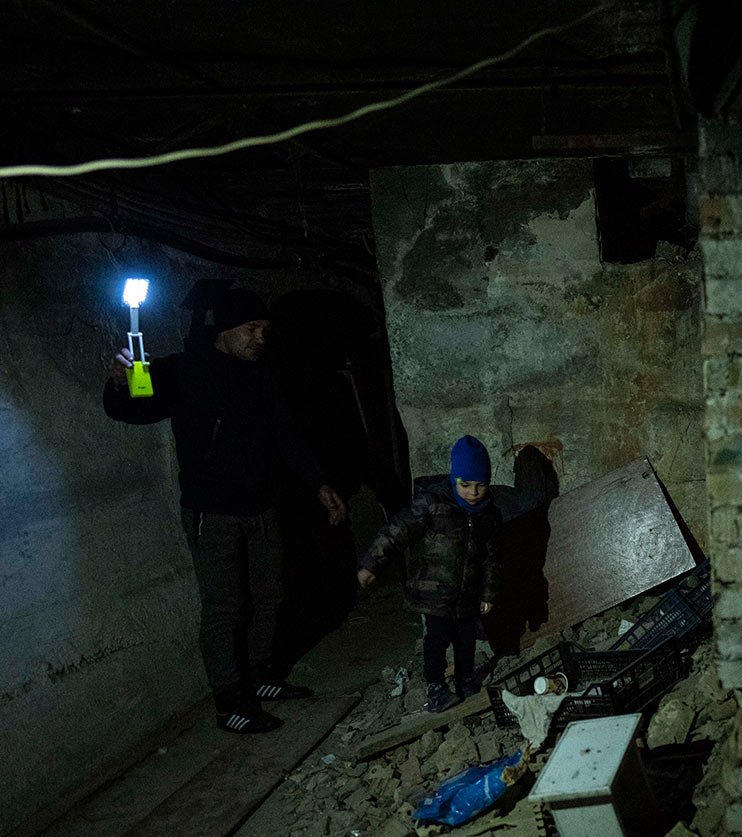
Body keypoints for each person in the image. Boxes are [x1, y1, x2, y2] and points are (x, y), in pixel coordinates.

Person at [103, 288, 347, 734]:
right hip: (212, 511)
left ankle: (262, 677)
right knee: (224, 607)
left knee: (270, 595)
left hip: (261, 505)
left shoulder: (261, 375)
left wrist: (319, 483)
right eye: (251, 330)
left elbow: (284, 432)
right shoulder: (183, 370)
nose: (260, 338)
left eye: (264, 330)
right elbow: (135, 409)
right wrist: (119, 386)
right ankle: (230, 702)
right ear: (224, 332)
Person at [357, 435, 504, 712]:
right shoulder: (432, 504)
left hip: (467, 595)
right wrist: (371, 564)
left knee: (466, 640)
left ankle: (465, 680)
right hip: (434, 592)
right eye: (466, 485)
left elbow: (492, 560)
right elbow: (397, 531)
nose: (473, 492)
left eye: (480, 485)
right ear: (454, 479)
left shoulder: (489, 516)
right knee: (436, 641)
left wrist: (488, 594)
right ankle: (436, 687)